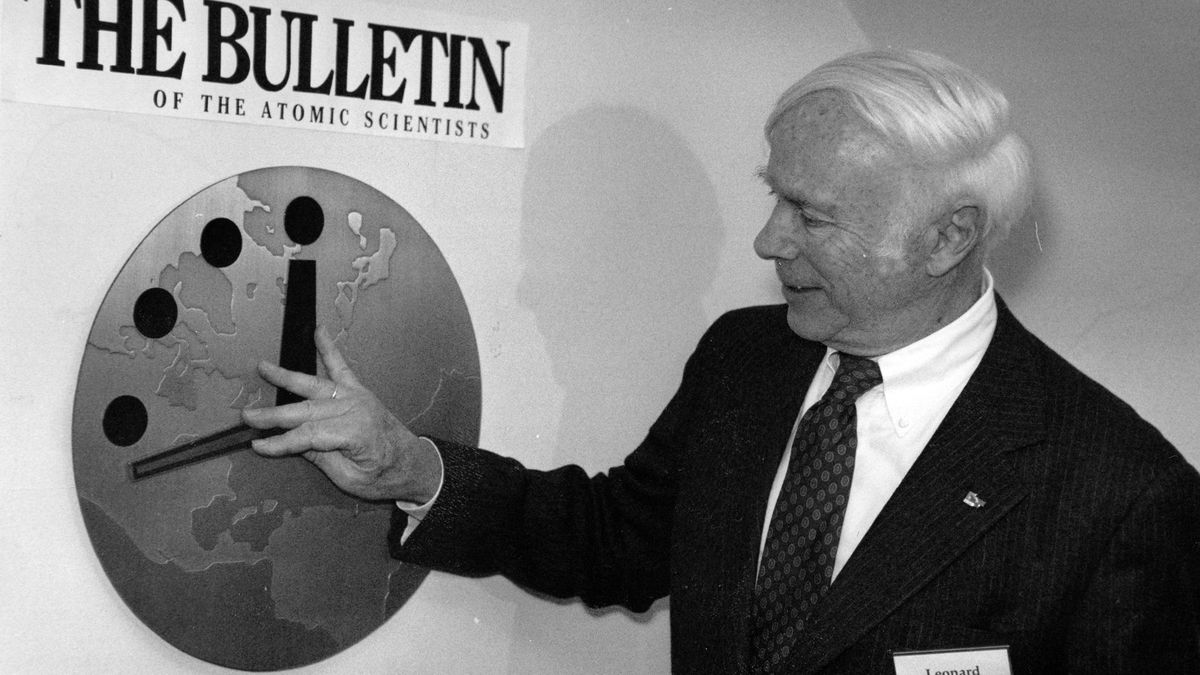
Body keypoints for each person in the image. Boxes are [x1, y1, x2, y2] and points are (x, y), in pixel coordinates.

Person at [242, 49, 1200, 673]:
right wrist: (412, 466)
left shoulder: (1120, 493)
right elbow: (619, 539)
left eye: (812, 215)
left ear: (948, 237)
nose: (768, 243)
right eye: (775, 196)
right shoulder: (749, 363)